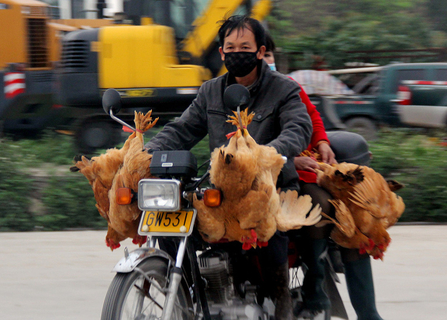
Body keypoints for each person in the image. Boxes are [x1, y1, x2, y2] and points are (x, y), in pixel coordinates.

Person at [146, 15, 313, 320]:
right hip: (222, 188)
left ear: (260, 51)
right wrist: (145, 154)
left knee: (268, 222)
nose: (237, 53)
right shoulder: (210, 91)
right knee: (168, 220)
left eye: (245, 47)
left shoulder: (283, 89)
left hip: (271, 184)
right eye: (230, 47)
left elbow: (299, 127)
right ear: (221, 53)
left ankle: (280, 301)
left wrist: (266, 153)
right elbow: (182, 130)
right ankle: (189, 294)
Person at [264, 33, 384, 320]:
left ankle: (366, 313)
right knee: (318, 205)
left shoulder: (288, 87)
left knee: (355, 219)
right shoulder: (232, 92)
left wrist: (322, 143)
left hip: (307, 169)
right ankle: (316, 293)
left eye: (268, 55)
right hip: (270, 177)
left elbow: (312, 117)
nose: (265, 61)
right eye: (261, 55)